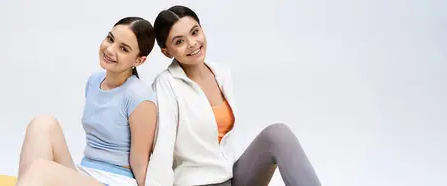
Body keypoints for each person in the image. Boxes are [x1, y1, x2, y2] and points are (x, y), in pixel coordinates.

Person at [145, 5, 322, 186]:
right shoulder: (166, 84)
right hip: (195, 182)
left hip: (231, 177)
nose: (192, 43)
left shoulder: (221, 73)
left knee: (278, 134)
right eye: (179, 41)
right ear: (167, 52)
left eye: (194, 32)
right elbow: (162, 151)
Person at [16, 16, 157, 186]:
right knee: (43, 123)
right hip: (85, 174)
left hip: (115, 181)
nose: (110, 50)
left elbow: (141, 162)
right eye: (110, 39)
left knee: (41, 168)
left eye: (123, 49)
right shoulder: (94, 81)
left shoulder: (139, 96)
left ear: (139, 60)